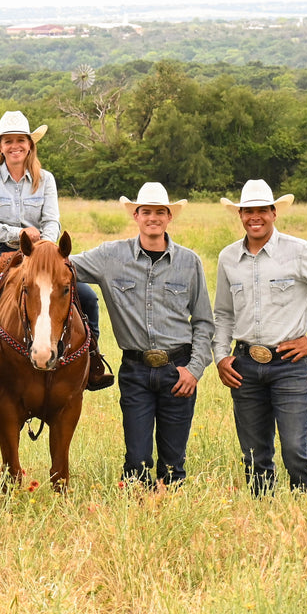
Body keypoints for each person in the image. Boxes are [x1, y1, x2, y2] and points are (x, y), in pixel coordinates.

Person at [213, 180, 307, 495]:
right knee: (254, 454)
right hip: (244, 366)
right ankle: (263, 515)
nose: (255, 217)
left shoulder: (301, 252)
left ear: (274, 212)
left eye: (262, 210)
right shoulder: (228, 257)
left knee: (295, 450)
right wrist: (221, 356)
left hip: (289, 366)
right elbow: (223, 313)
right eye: (248, 211)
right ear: (240, 215)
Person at [69, 183, 214, 487]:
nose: (153, 218)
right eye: (146, 211)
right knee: (136, 462)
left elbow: (203, 322)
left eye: (160, 212)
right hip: (135, 370)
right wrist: (24, 253)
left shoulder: (189, 262)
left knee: (174, 465)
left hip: (179, 370)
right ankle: (137, 514)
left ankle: (169, 517)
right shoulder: (110, 256)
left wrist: (195, 369)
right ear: (135, 215)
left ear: (169, 217)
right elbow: (62, 266)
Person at [0, 111, 113, 390]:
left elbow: (52, 221)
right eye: (8, 141)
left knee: (88, 298)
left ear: (30, 144)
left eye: (20, 140)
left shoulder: (45, 179)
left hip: (42, 254)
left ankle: (92, 360)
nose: (14, 146)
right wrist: (18, 234)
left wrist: (42, 249)